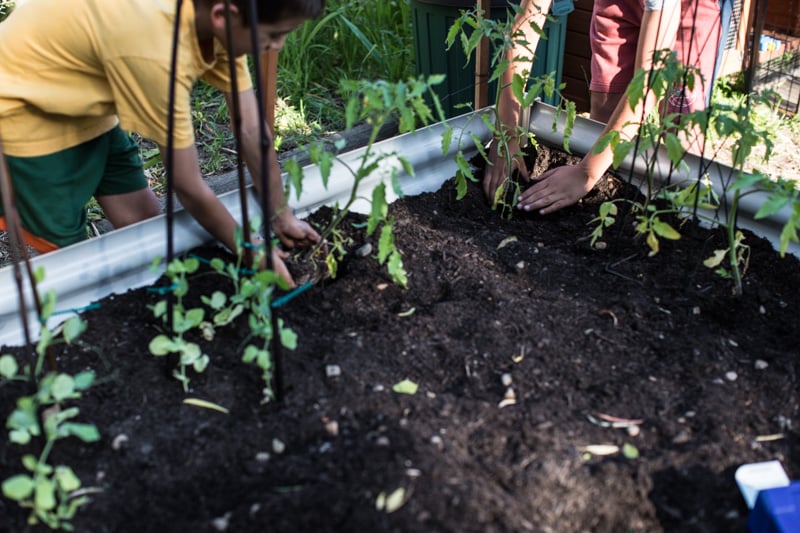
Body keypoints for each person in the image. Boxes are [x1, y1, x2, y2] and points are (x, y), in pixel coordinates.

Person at [0, 0, 325, 286]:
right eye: (273, 35)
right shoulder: (156, 50)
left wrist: (282, 214)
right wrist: (249, 249)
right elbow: (187, 185)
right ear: (223, 15)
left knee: (146, 230)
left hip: (80, 98)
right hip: (22, 112)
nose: (277, 45)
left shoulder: (219, 24)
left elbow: (253, 130)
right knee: (73, 266)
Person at [484, 0, 723, 215]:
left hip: (687, 13)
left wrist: (584, 174)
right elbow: (524, 28)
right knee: (602, 121)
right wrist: (506, 134)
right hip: (617, 5)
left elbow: (649, 82)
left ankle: (678, 218)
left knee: (680, 145)